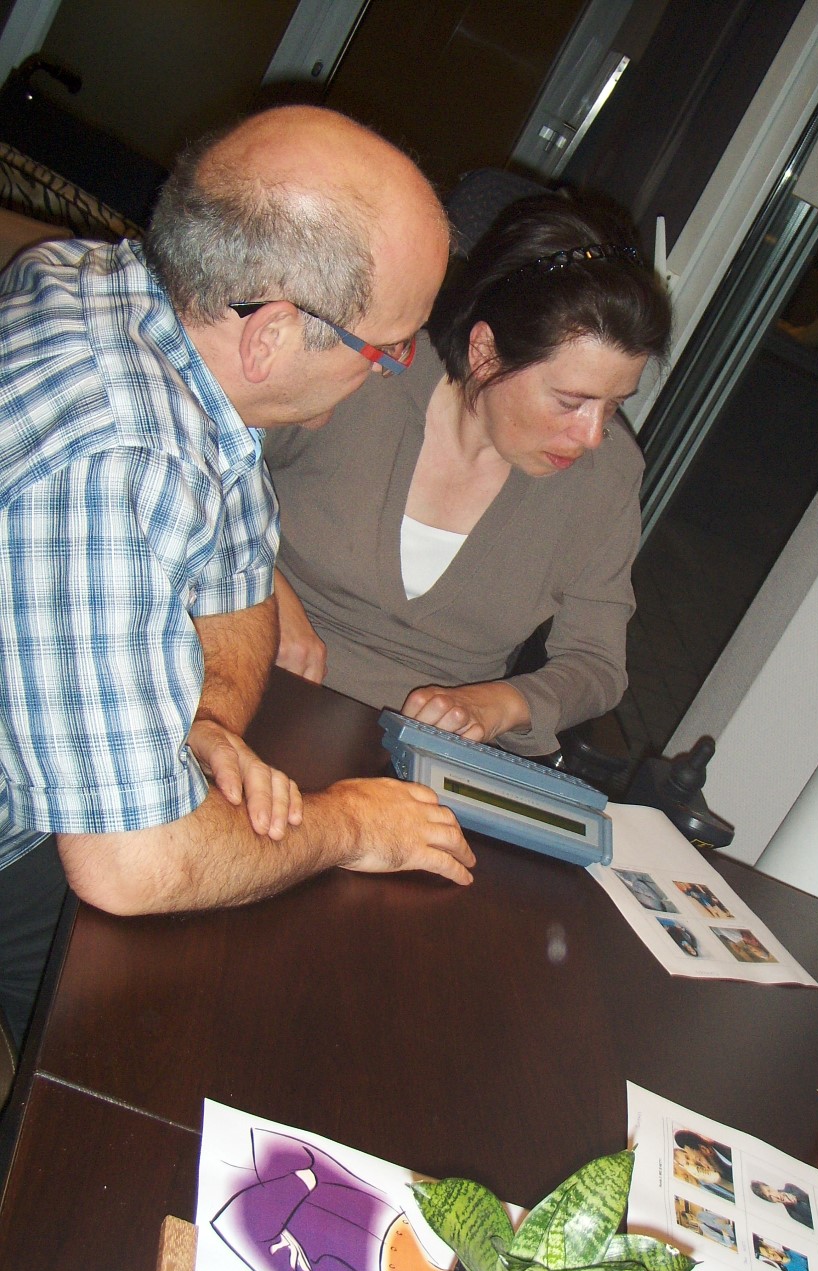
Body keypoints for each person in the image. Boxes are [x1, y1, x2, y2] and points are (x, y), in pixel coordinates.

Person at [0, 106, 475, 1052]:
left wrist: (204, 721)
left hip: (33, 798)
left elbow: (240, 583)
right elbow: (131, 869)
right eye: (388, 350)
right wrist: (351, 826)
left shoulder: (108, 286)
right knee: (185, 1038)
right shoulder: (128, 457)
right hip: (32, 836)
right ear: (274, 334)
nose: (393, 373)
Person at [264, 191, 672, 756]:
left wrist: (498, 704)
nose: (593, 435)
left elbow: (596, 664)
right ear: (484, 353)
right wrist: (259, 587)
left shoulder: (606, 478)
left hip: (417, 757)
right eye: (570, 401)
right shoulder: (363, 378)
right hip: (247, 675)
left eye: (614, 404)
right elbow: (203, 465)